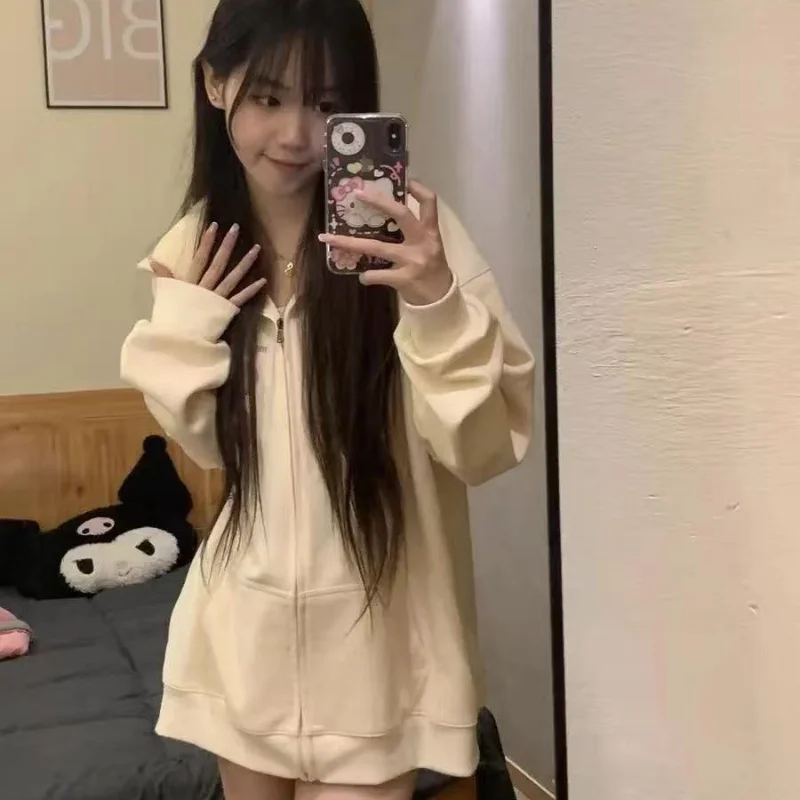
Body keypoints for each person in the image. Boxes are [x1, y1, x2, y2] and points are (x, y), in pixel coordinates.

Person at [120, 0, 534, 798]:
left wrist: (436, 303)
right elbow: (212, 450)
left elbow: (482, 446)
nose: (297, 135)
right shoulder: (193, 251)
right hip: (243, 640)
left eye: (327, 103)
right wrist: (188, 327)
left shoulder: (416, 242)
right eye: (268, 97)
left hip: (379, 651)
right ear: (215, 84)